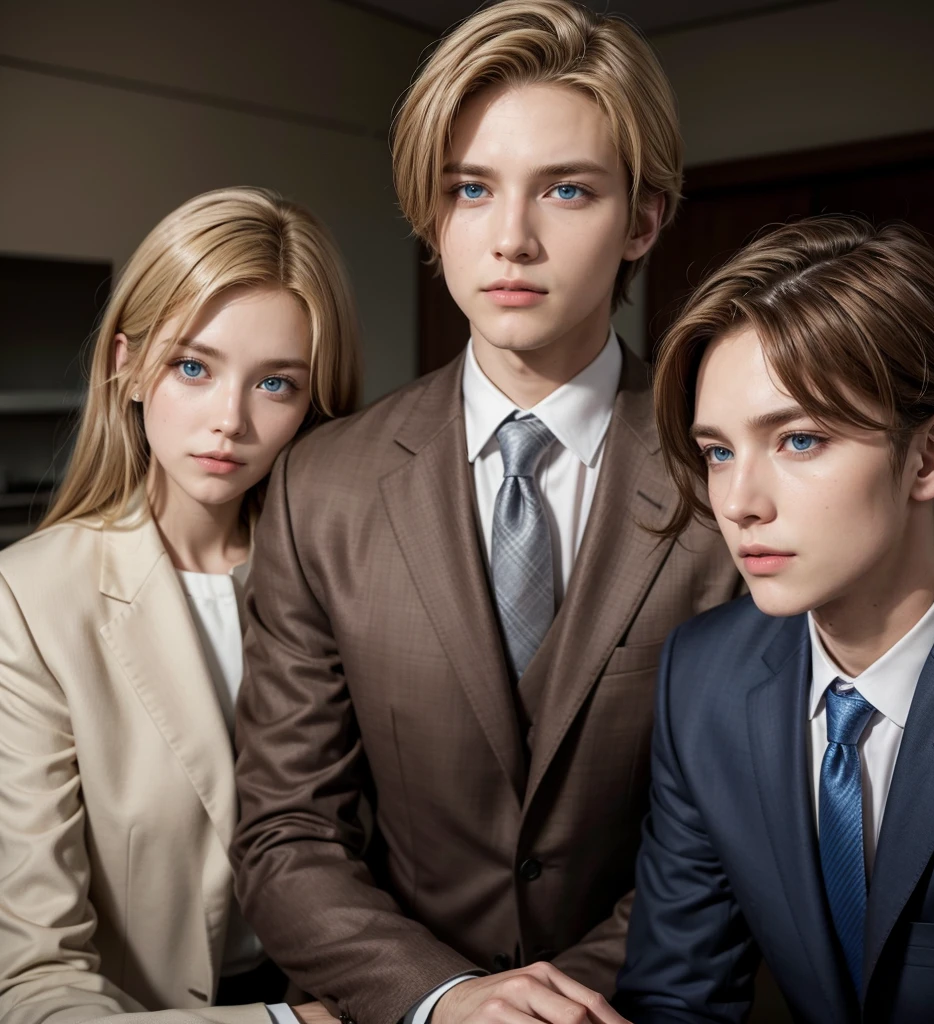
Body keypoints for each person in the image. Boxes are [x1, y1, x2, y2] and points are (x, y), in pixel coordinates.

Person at [228, 4, 737, 1024]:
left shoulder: (726, 479)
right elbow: (289, 833)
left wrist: (565, 1002)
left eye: (565, 189)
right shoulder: (320, 484)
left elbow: (743, 829)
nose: (510, 237)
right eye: (470, 189)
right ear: (433, 215)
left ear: (641, 218)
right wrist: (445, 998)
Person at [613, 215, 934, 1023]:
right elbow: (677, 995)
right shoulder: (704, 676)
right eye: (719, 451)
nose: (737, 504)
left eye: (798, 440)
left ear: (933, 455)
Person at [0, 186, 361, 1024]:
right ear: (125, 365)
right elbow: (34, 984)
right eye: (193, 368)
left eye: (276, 384)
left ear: (314, 403)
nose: (229, 421)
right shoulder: (31, 601)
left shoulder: (352, 575)